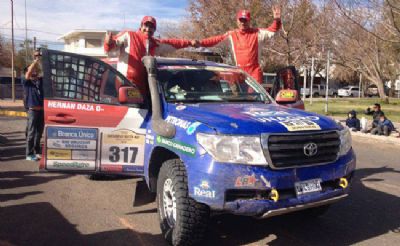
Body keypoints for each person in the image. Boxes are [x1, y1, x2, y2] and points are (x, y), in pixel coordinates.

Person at [104, 16, 196, 95]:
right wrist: (109, 43)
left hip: (145, 89)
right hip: (126, 86)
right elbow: (111, 50)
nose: (148, 29)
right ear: (141, 26)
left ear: (154, 30)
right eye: (146, 25)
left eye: (151, 27)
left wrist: (189, 43)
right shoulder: (129, 35)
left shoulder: (154, 43)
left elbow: (173, 43)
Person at [195, 7, 282, 83]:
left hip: (254, 72)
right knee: (238, 99)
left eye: (245, 20)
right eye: (241, 20)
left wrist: (277, 20)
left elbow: (272, 30)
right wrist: (200, 43)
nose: (243, 23)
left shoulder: (258, 33)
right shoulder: (231, 35)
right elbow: (215, 40)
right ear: (237, 21)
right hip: (237, 72)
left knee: (255, 99)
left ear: (249, 21)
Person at [23, 50, 44, 161]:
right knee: (31, 133)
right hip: (32, 111)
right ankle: (29, 154)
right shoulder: (26, 82)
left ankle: (37, 151)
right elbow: (28, 73)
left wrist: (40, 61)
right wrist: (35, 61)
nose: (34, 71)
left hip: (42, 111)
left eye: (35, 70)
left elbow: (43, 71)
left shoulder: (40, 81)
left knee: (39, 133)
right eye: (32, 70)